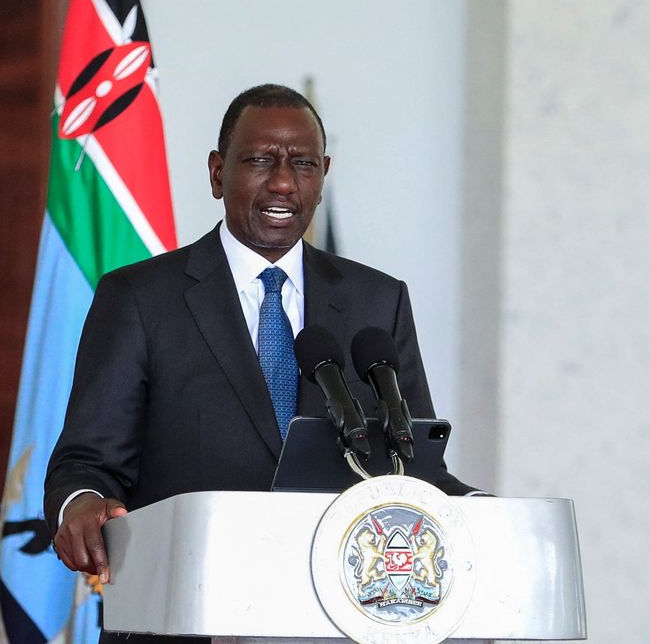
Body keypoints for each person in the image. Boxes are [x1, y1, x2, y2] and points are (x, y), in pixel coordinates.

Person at [43, 84, 474, 643]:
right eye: (259, 161)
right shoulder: (141, 299)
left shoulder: (377, 302)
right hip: (185, 621)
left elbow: (412, 462)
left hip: (337, 624)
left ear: (324, 175)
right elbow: (86, 461)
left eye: (303, 164)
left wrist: (481, 513)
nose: (282, 182)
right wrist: (82, 504)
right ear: (218, 173)